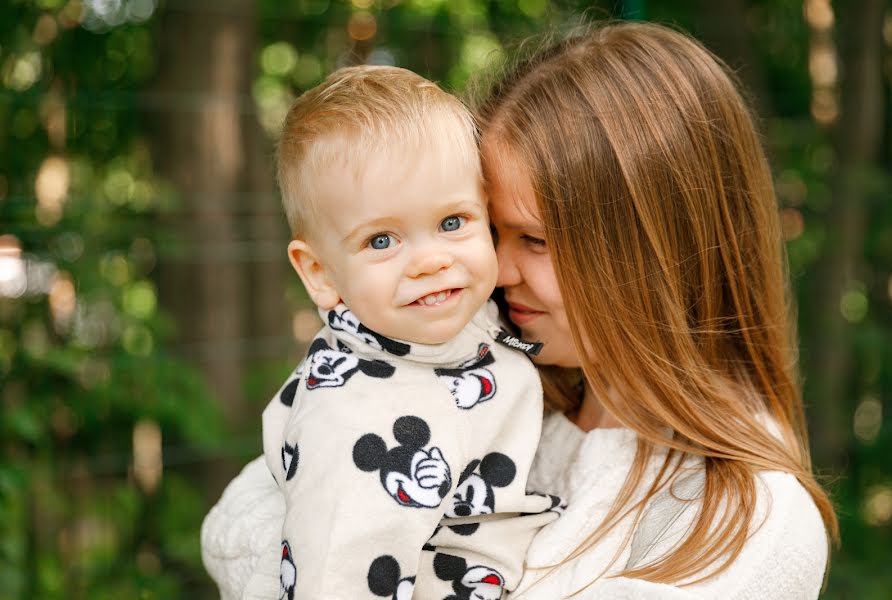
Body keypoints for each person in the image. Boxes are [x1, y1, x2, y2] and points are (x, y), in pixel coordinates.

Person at [202, 22, 837, 599]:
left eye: (534, 240)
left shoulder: (749, 523)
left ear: (657, 252)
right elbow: (239, 522)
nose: (498, 274)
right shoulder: (468, 375)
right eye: (491, 232)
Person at [247, 65, 559, 600]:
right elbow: (332, 579)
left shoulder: (466, 320)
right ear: (319, 272)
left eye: (453, 222)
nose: (431, 261)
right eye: (382, 241)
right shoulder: (355, 420)